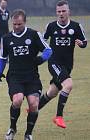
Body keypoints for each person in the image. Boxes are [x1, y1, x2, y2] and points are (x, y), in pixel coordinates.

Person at [0, 9, 52, 140]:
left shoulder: (34, 35)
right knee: (17, 100)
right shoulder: (6, 38)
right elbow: (2, 57)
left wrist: (41, 58)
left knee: (33, 104)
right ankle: (12, 128)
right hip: (15, 76)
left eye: (19, 24)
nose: (16, 27)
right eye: (14, 24)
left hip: (32, 76)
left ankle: (28, 134)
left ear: (25, 22)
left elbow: (48, 50)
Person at [38, 0, 87, 129]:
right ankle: (58, 116)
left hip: (68, 65)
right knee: (68, 84)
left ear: (68, 12)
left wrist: (82, 44)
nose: (61, 14)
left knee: (53, 92)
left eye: (63, 11)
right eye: (58, 11)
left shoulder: (76, 26)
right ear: (56, 13)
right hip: (54, 62)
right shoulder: (51, 26)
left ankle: (33, 108)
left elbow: (84, 42)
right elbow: (42, 41)